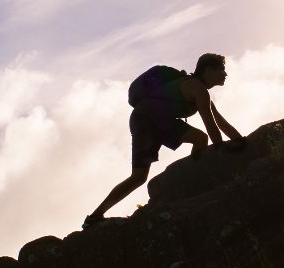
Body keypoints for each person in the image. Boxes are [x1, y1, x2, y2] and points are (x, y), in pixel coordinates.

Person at [82, 53, 247, 229]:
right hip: (148, 119)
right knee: (197, 140)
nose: (225, 74)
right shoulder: (196, 88)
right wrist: (222, 151)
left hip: (147, 119)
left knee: (139, 176)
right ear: (208, 70)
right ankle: (96, 215)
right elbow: (211, 125)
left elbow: (221, 123)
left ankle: (94, 217)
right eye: (221, 69)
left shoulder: (200, 91)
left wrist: (242, 141)